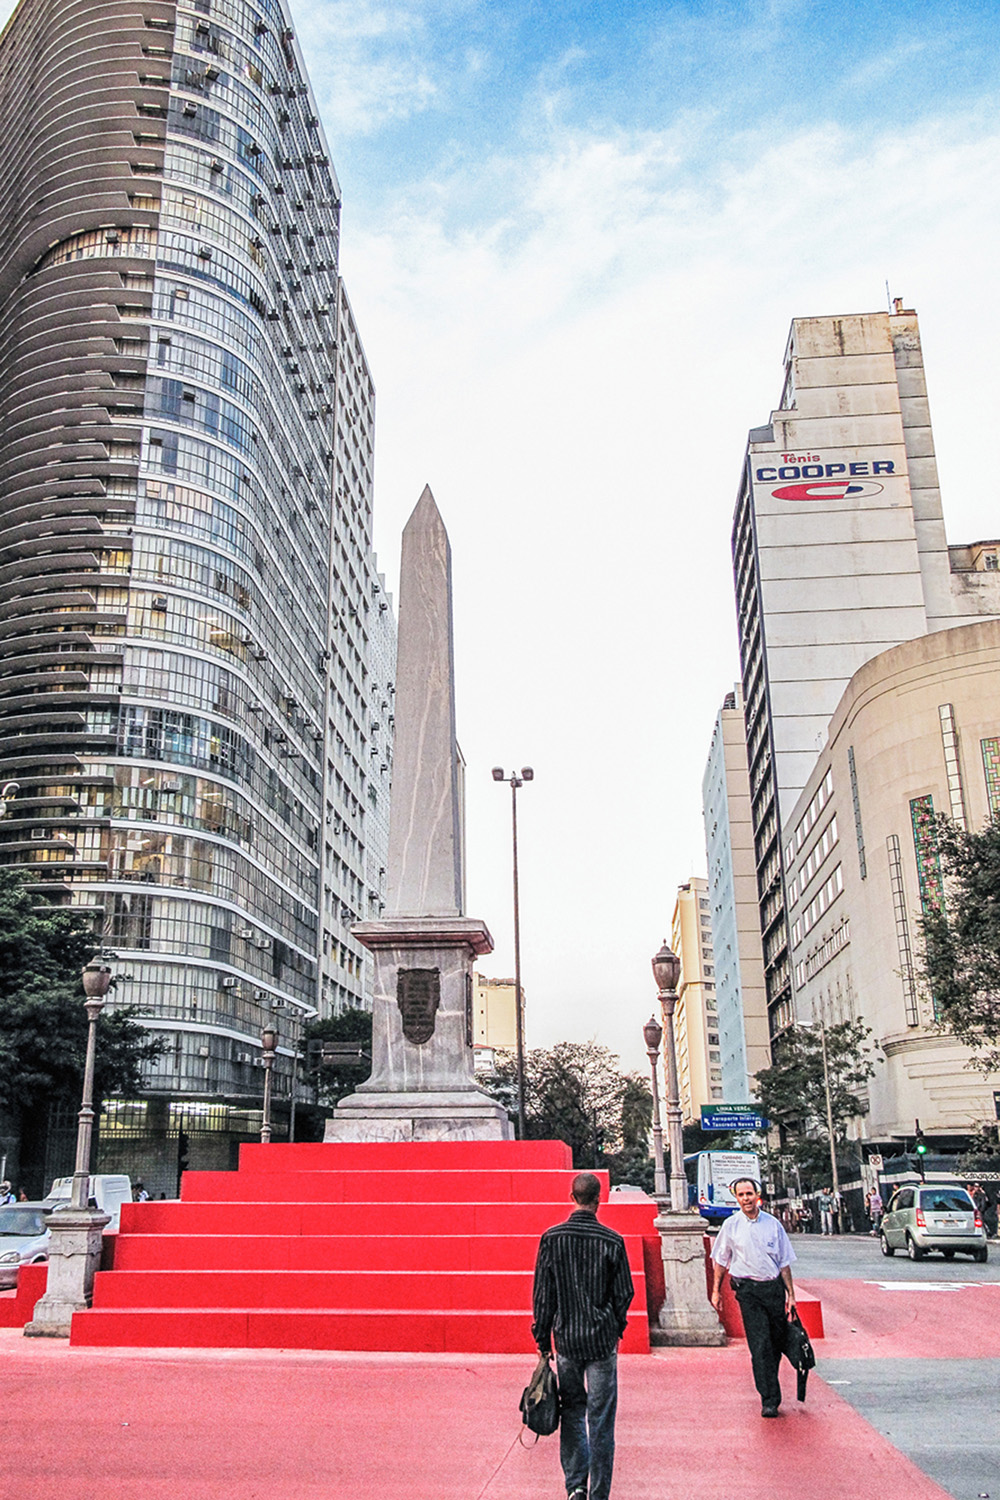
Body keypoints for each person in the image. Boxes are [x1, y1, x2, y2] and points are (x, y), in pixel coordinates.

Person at [532, 1172, 634, 1500]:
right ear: (599, 1199)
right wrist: (615, 1327)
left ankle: (576, 1484)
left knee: (572, 1411)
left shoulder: (552, 1238)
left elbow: (543, 1295)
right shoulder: (612, 1241)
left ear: (571, 1197)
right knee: (601, 1419)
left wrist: (541, 1340)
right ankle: (599, 1493)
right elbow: (625, 1294)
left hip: (567, 1341)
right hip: (602, 1342)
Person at [711, 1178, 797, 1418]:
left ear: (757, 1195)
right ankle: (769, 1399)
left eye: (749, 1193)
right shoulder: (731, 1226)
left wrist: (791, 1294)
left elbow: (784, 1263)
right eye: (741, 1195)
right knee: (759, 1345)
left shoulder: (773, 1225)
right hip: (748, 1293)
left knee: (775, 1344)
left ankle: (771, 1383)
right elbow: (720, 1260)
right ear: (736, 1198)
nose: (746, 1198)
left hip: (773, 1289)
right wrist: (716, 1290)